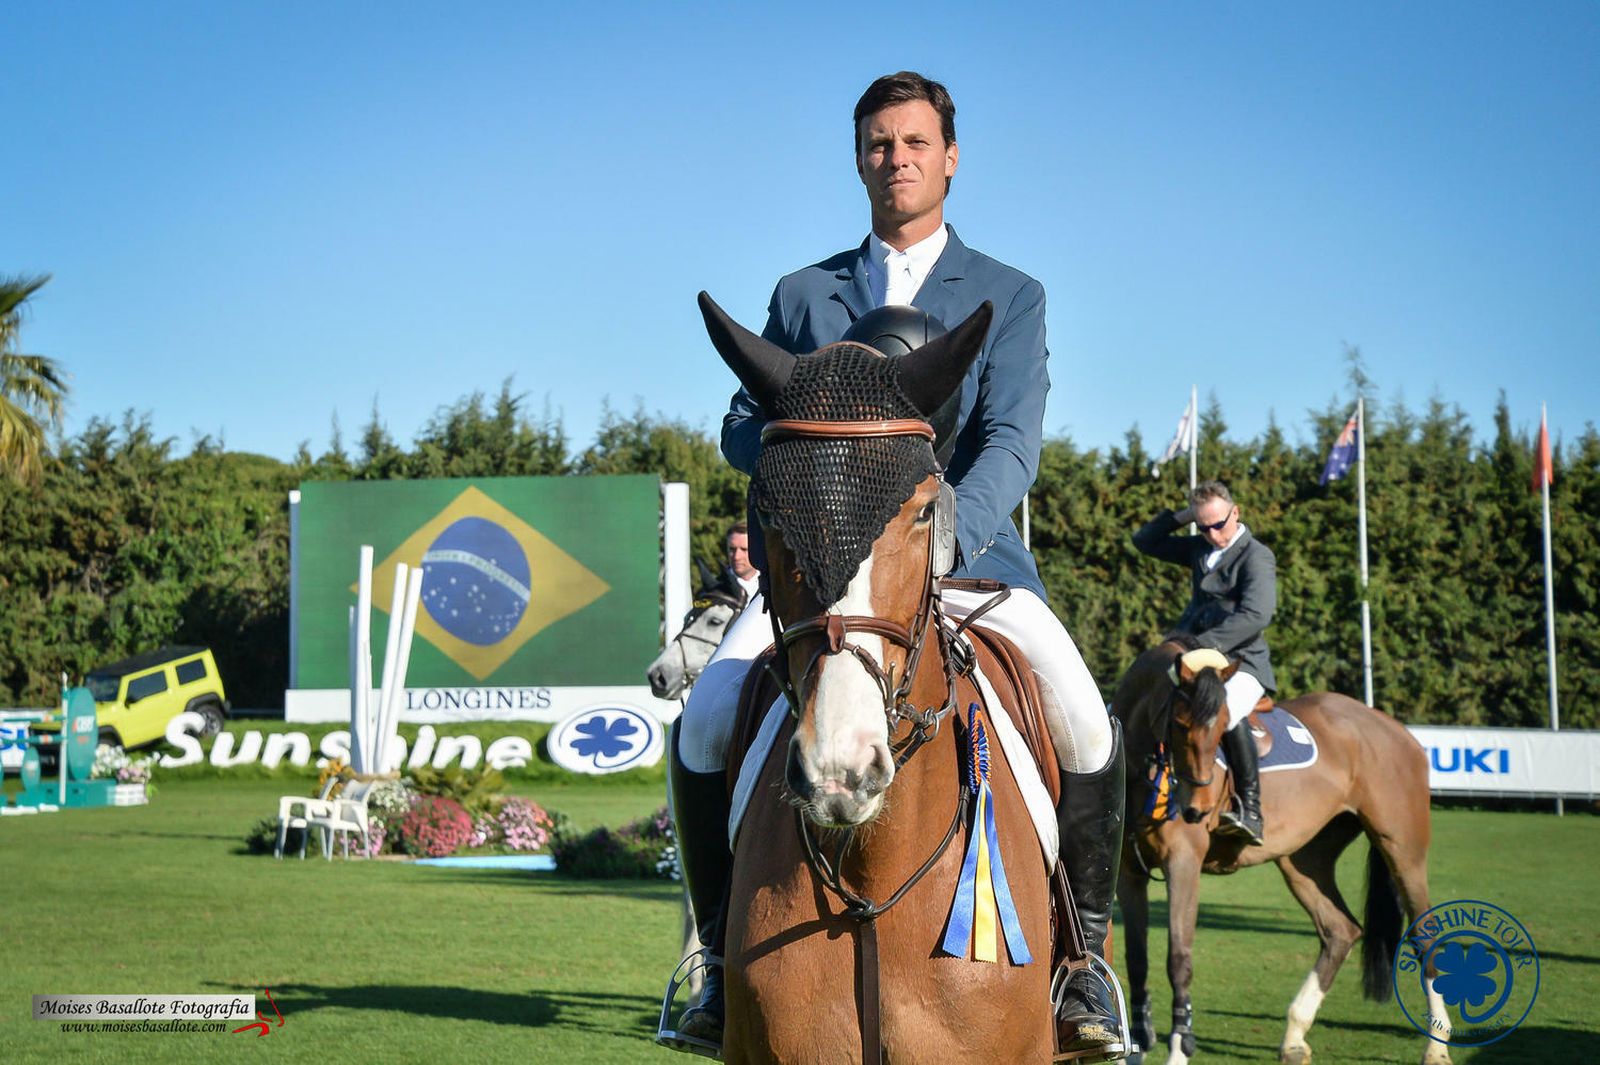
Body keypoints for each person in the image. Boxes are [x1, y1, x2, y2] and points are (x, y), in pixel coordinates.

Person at [665, 71, 1125, 1056]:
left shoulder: (1011, 294)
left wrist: (945, 531)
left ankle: (1084, 965)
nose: (896, 159)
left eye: (915, 143)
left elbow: (1011, 439)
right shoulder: (803, 294)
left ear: (949, 159)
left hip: (970, 561)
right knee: (704, 719)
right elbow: (742, 425)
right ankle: (713, 964)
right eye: (879, 143)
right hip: (822, 575)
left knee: (1087, 722)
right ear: (859, 159)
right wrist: (802, 451)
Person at [1132, 480, 1277, 845]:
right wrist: (1186, 516)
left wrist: (1201, 645)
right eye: (1204, 526)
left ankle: (1250, 809)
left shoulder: (1255, 556)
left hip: (1241, 662)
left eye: (1219, 524)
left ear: (1236, 512)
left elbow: (1257, 615)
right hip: (1196, 661)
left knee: (1227, 712)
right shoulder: (1201, 546)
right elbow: (1144, 541)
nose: (1213, 534)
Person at [724, 521, 760, 603]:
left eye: (744, 549)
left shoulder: (772, 585)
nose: (736, 557)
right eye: (732, 549)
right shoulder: (716, 590)